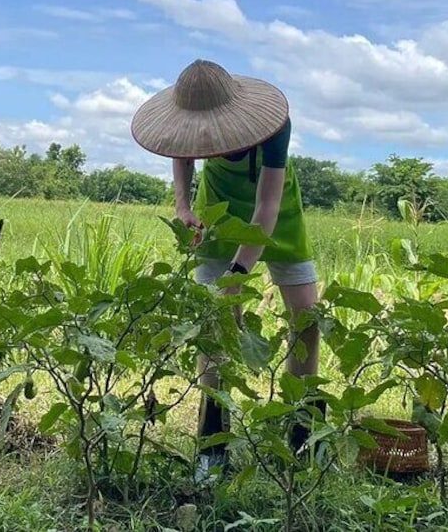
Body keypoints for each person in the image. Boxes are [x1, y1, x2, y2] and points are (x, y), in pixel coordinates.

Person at [130, 59, 323, 481]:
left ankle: (302, 426)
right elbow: (182, 158)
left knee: (308, 319)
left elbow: (265, 210)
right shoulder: (190, 131)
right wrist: (182, 206)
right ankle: (213, 434)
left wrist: (237, 275)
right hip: (215, 212)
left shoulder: (276, 127)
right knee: (214, 321)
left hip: (277, 213)